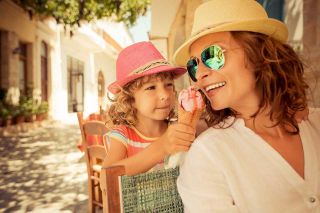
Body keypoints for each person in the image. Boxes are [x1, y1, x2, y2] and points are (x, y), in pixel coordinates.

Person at [173, 0, 320, 212]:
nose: (200, 74)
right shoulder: (208, 154)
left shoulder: (315, 123)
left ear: (259, 53)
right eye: (193, 65)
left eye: (213, 55)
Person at [102, 41, 196, 175]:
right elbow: (107, 177)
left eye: (168, 85)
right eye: (151, 87)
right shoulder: (123, 136)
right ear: (130, 99)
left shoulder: (175, 129)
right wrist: (162, 147)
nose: (165, 95)